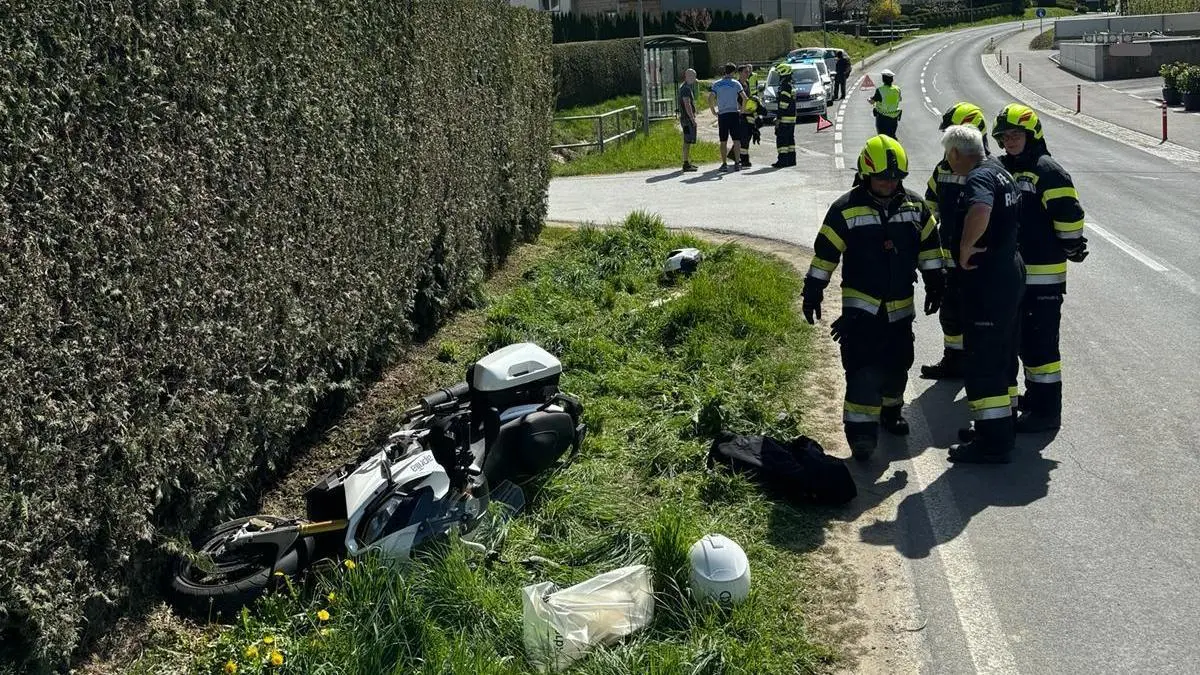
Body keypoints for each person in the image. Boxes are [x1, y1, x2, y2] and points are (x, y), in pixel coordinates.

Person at [800, 135, 944, 460]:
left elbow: (931, 250)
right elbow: (825, 256)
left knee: (898, 366)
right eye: (882, 178)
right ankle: (861, 436)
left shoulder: (915, 207)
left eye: (895, 178)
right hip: (860, 314)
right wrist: (812, 290)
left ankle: (891, 412)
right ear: (866, 174)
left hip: (900, 311)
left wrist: (937, 282)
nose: (888, 183)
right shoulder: (844, 210)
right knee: (863, 372)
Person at [993, 104, 1088, 433]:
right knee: (1023, 344)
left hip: (1044, 280)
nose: (1010, 141)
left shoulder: (1048, 171)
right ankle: (1035, 399)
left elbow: (1070, 216)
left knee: (1041, 347)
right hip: (1016, 279)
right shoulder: (1006, 169)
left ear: (1031, 135)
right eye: (1005, 136)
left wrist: (1072, 245)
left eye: (1016, 134)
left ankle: (1047, 411)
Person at [939, 124, 1025, 464]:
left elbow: (980, 211)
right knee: (1003, 355)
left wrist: (965, 246)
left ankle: (992, 443)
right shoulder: (1000, 171)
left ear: (957, 153)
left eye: (948, 156)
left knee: (985, 360)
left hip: (989, 280)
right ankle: (1000, 427)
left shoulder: (978, 179)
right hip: (1010, 273)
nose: (948, 162)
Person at [920, 102, 990, 380]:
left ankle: (979, 367)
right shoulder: (942, 169)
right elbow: (930, 204)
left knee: (981, 319)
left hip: (980, 263)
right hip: (949, 258)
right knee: (950, 314)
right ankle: (954, 361)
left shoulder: (990, 171)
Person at [708, 62, 747, 172]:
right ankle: (737, 163)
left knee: (723, 140)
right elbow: (745, 98)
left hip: (722, 115)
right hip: (734, 113)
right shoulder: (736, 84)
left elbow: (710, 98)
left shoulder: (716, 84)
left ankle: (724, 164)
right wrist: (742, 111)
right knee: (736, 140)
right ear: (733, 72)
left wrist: (713, 111)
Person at [729, 65, 761, 167]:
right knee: (743, 138)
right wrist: (741, 110)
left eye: (749, 72)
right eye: (746, 72)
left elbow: (748, 99)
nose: (748, 74)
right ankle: (743, 159)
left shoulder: (746, 84)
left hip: (747, 113)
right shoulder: (737, 85)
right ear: (740, 73)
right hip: (739, 114)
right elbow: (735, 99)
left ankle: (735, 155)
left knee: (746, 137)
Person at [772, 63, 796, 168]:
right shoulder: (791, 85)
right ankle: (791, 160)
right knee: (790, 140)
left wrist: (778, 118)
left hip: (785, 119)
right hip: (791, 118)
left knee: (782, 141)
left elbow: (783, 105)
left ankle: (782, 161)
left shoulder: (785, 86)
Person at [869, 69, 902, 139]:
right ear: (892, 80)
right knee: (892, 136)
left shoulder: (880, 90)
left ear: (883, 80)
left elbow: (872, 101)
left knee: (882, 137)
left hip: (882, 118)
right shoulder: (897, 89)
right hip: (894, 118)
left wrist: (869, 99)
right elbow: (900, 99)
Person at [677, 68, 699, 172]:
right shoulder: (686, 88)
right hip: (687, 120)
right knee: (687, 140)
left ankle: (686, 162)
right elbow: (687, 104)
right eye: (693, 77)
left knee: (688, 141)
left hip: (685, 119)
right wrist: (692, 119)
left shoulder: (684, 87)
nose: (695, 79)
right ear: (688, 76)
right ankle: (685, 164)